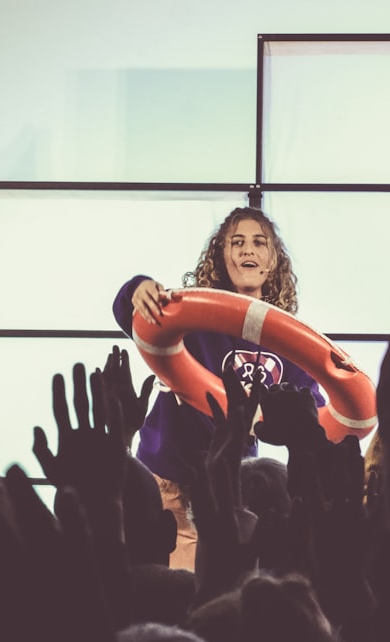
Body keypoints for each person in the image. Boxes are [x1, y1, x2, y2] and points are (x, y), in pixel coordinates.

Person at [112, 206, 325, 570]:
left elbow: (314, 413)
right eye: (236, 242)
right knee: (166, 586)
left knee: (222, 587)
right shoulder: (196, 319)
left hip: (232, 487)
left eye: (259, 243)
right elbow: (135, 315)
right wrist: (139, 287)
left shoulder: (284, 340)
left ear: (272, 261)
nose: (247, 250)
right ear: (221, 255)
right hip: (171, 477)